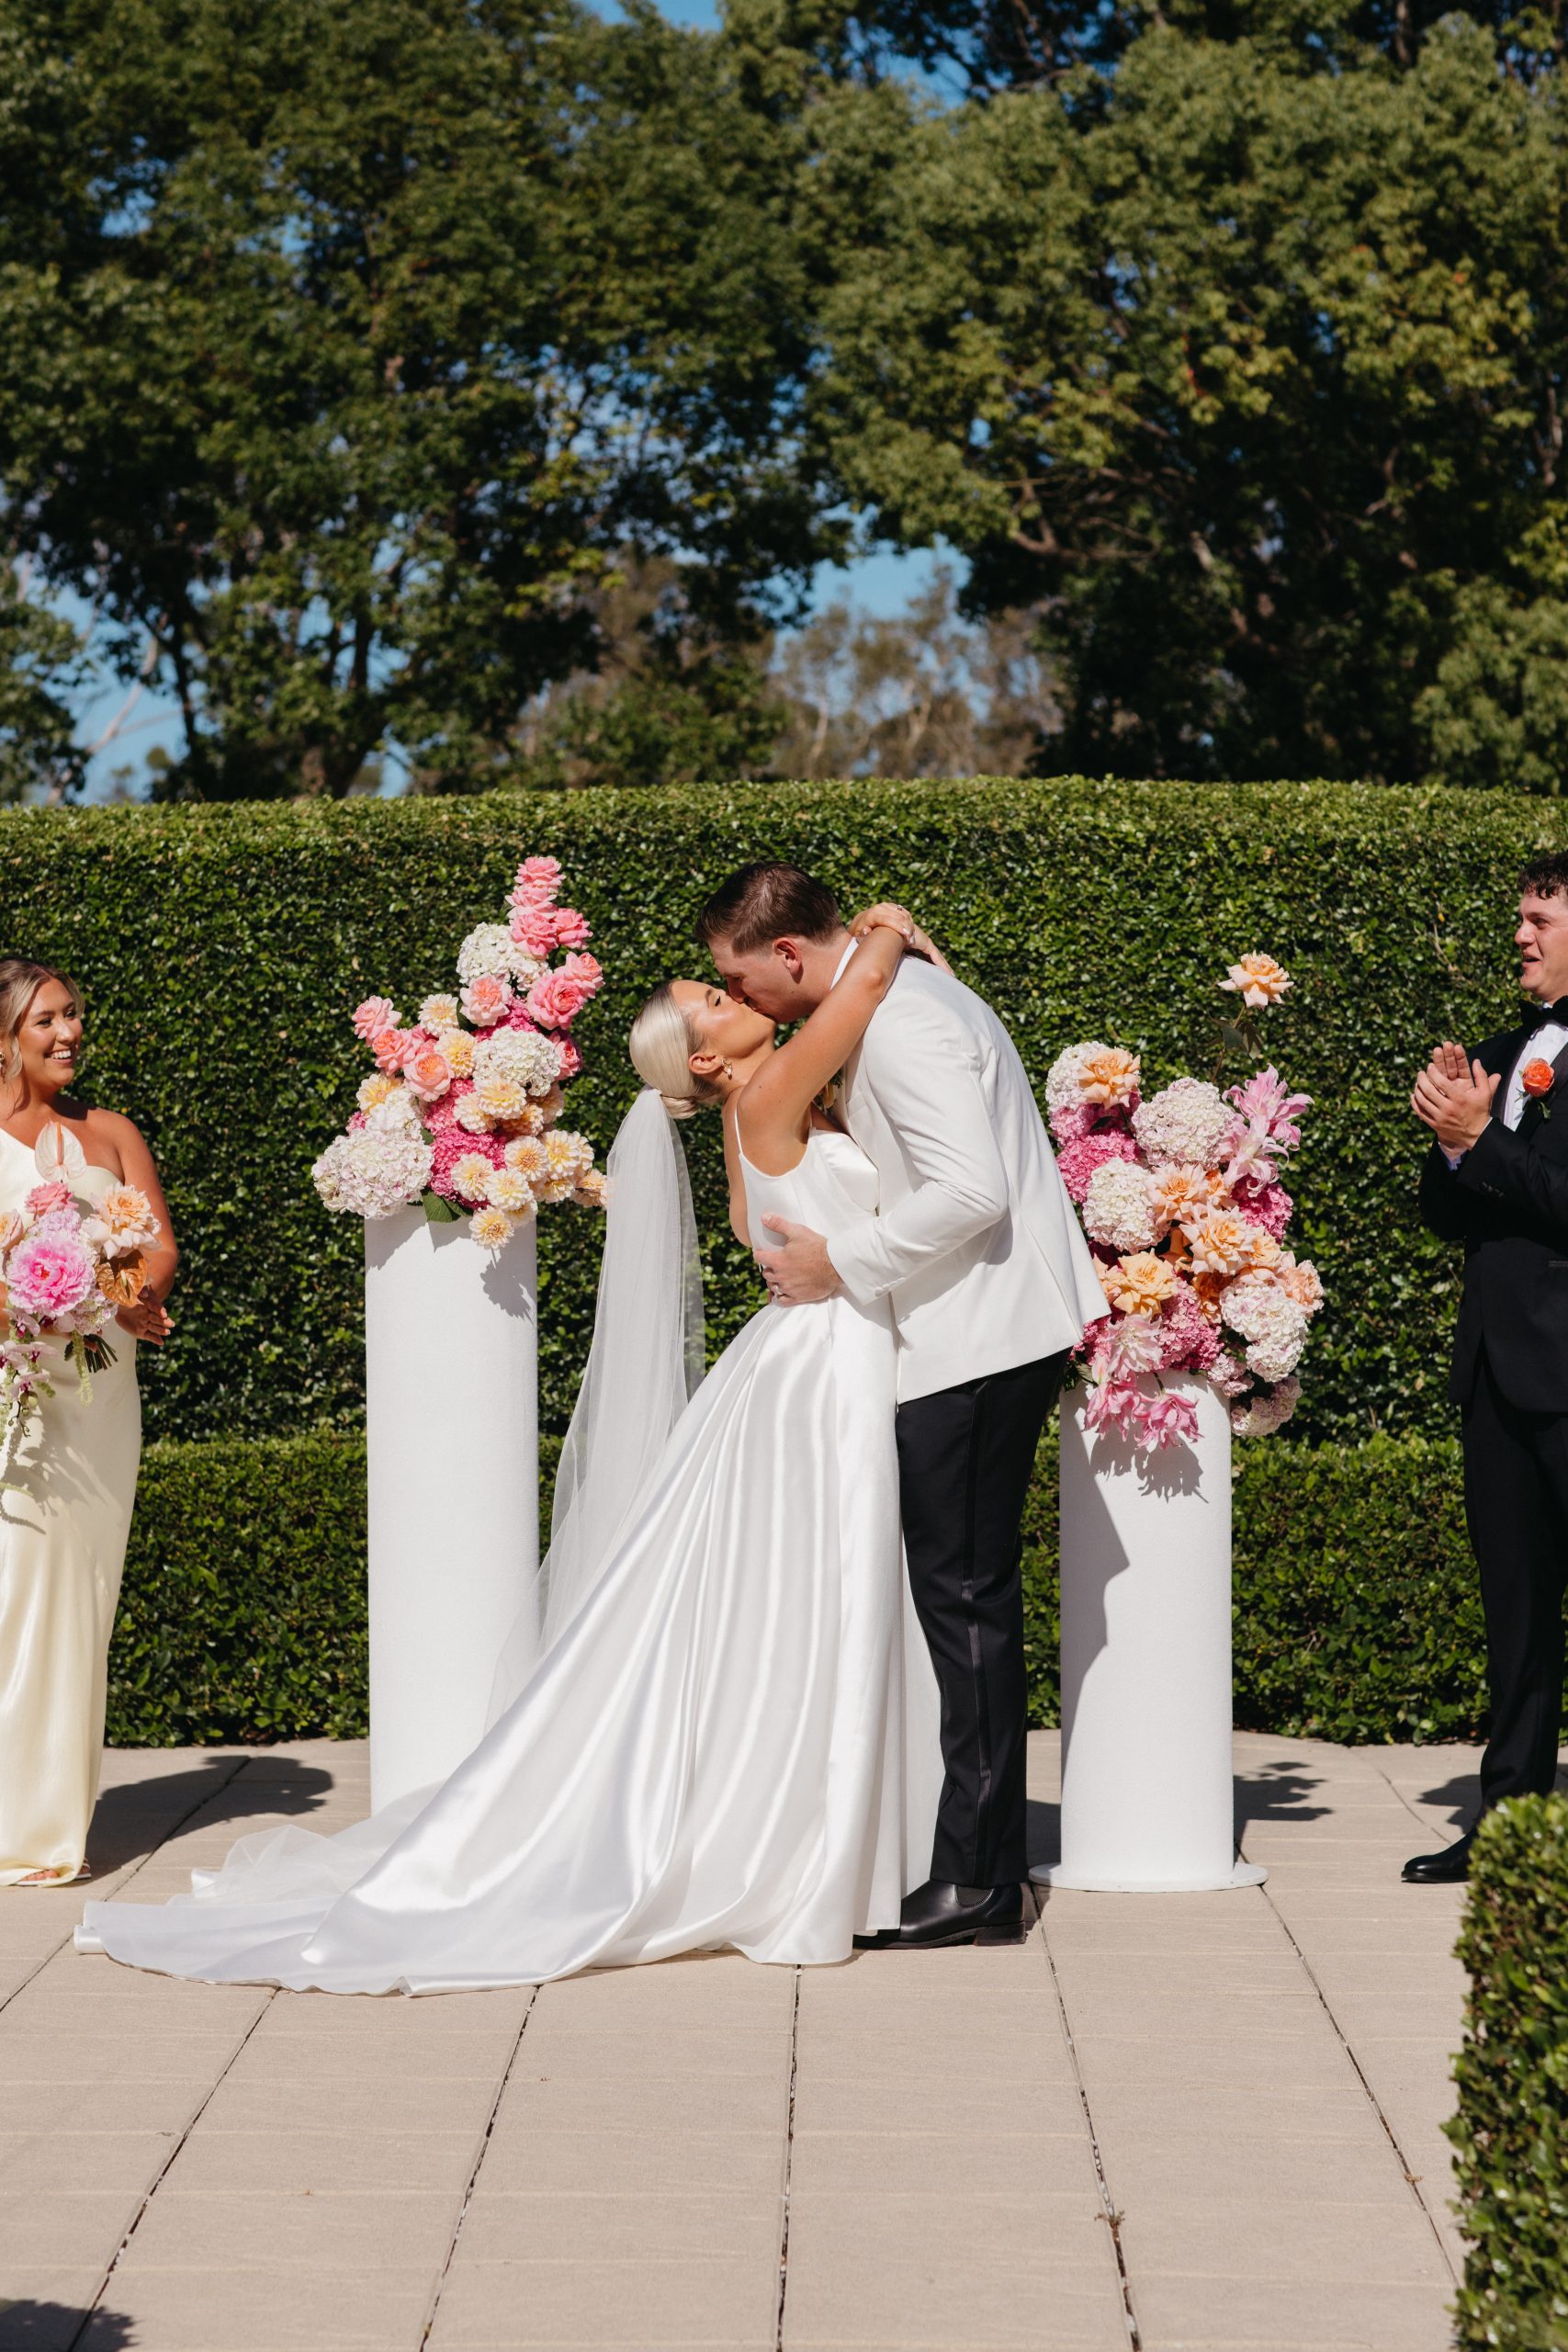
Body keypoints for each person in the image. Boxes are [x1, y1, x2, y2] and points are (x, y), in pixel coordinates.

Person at [77, 907, 946, 1990]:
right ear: (710, 1058)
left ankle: (832, 1833)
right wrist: (888, 926)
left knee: (812, 1598)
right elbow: (857, 991)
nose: (744, 998)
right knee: (832, 1589)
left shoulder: (754, 1118)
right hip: (825, 1366)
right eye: (716, 1001)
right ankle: (823, 1848)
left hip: (810, 1351)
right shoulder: (768, 1096)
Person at [697, 863, 1107, 1950]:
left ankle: (979, 1881)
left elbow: (972, 1191)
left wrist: (846, 1263)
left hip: (974, 1340)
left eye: (741, 977)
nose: (747, 1000)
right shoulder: (898, 997)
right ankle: (972, 1856)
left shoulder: (900, 1020)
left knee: (965, 1597)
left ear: (789, 954)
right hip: (970, 1335)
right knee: (959, 1595)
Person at [0, 958, 176, 1889]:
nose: (69, 1031)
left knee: (76, 1601)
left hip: (99, 1397)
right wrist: (23, 1306)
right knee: (10, 1589)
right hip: (13, 1392)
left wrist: (129, 1296)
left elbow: (155, 1245)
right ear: (4, 1038)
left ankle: (43, 1821)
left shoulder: (108, 1133)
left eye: (74, 1014)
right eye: (47, 1021)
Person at [1411, 853, 1568, 1883]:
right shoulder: (1510, 1051)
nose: (1519, 933)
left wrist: (1485, 1143)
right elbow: (1443, 1211)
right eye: (1519, 916)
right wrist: (1453, 1138)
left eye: (1539, 917)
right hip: (1498, 1374)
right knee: (1514, 1613)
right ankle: (1511, 1823)